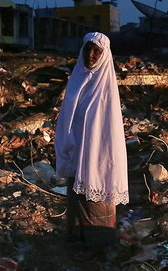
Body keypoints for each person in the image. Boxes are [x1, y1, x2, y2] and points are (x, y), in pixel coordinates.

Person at [55, 32, 129, 259]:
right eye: (88, 49)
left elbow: (107, 130)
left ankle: (99, 243)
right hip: (76, 150)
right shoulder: (77, 78)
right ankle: (76, 238)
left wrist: (96, 155)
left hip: (98, 153)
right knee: (77, 197)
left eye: (96, 51)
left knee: (95, 196)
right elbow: (67, 117)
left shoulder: (105, 87)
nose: (91, 55)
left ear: (104, 54)